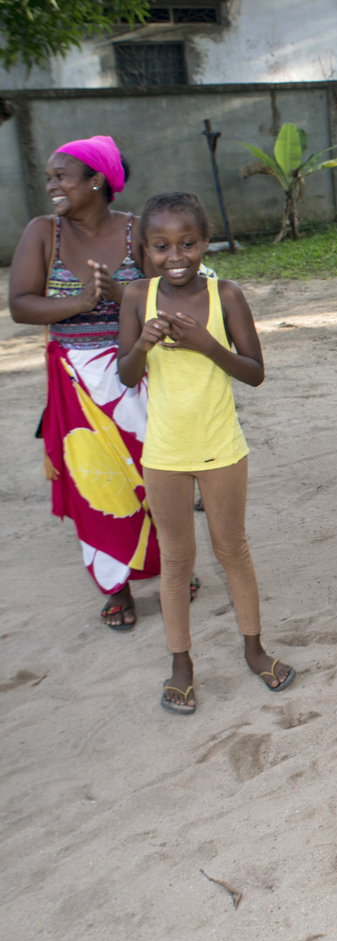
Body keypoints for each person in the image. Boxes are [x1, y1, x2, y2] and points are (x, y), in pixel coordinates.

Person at [114, 192, 294, 712]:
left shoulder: (227, 295)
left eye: (187, 244)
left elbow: (255, 373)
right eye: (161, 246)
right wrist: (142, 345)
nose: (176, 257)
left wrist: (209, 347)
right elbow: (127, 376)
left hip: (221, 448)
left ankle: (255, 650)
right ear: (145, 251)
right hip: (165, 452)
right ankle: (181, 663)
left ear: (205, 242)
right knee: (176, 559)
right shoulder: (135, 298)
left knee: (232, 548)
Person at [8, 135, 168, 632]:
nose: (52, 184)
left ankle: (172, 568)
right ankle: (116, 586)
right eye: (50, 176)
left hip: (138, 368)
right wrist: (77, 303)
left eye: (62, 176)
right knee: (95, 482)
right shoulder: (43, 232)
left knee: (155, 476)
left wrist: (120, 292)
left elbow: (165, 296)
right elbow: (20, 304)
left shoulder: (138, 231)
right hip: (76, 380)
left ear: (96, 181)